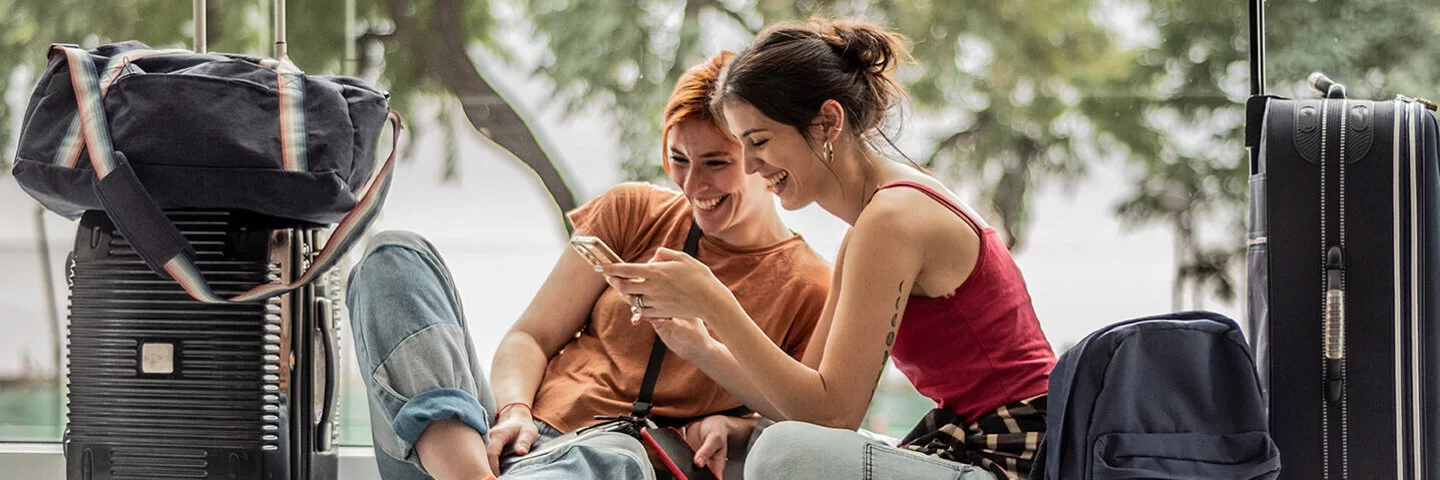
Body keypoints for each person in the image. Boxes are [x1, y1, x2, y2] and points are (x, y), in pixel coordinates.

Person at [601, 18, 1056, 480]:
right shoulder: (873, 222)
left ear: (828, 123)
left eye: (758, 142)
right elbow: (800, 400)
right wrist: (699, 346)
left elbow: (834, 416)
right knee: (761, 440)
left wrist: (716, 303)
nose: (751, 165)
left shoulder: (893, 219)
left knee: (780, 453)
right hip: (979, 445)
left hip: (1017, 457)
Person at [346, 51, 832, 480]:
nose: (692, 184)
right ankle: (465, 472)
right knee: (394, 256)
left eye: (715, 163)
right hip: (489, 444)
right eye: (679, 159)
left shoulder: (808, 286)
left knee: (616, 458)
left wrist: (737, 424)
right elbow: (530, 337)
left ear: (758, 155)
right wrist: (513, 410)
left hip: (598, 460)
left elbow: (799, 420)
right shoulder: (632, 213)